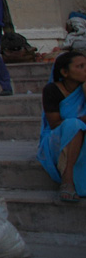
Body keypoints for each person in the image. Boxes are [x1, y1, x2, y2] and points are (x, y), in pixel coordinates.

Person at [38, 51, 86, 202]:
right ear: (65, 72)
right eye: (81, 66)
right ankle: (67, 179)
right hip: (58, 139)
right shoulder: (52, 90)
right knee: (73, 124)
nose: (85, 69)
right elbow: (54, 123)